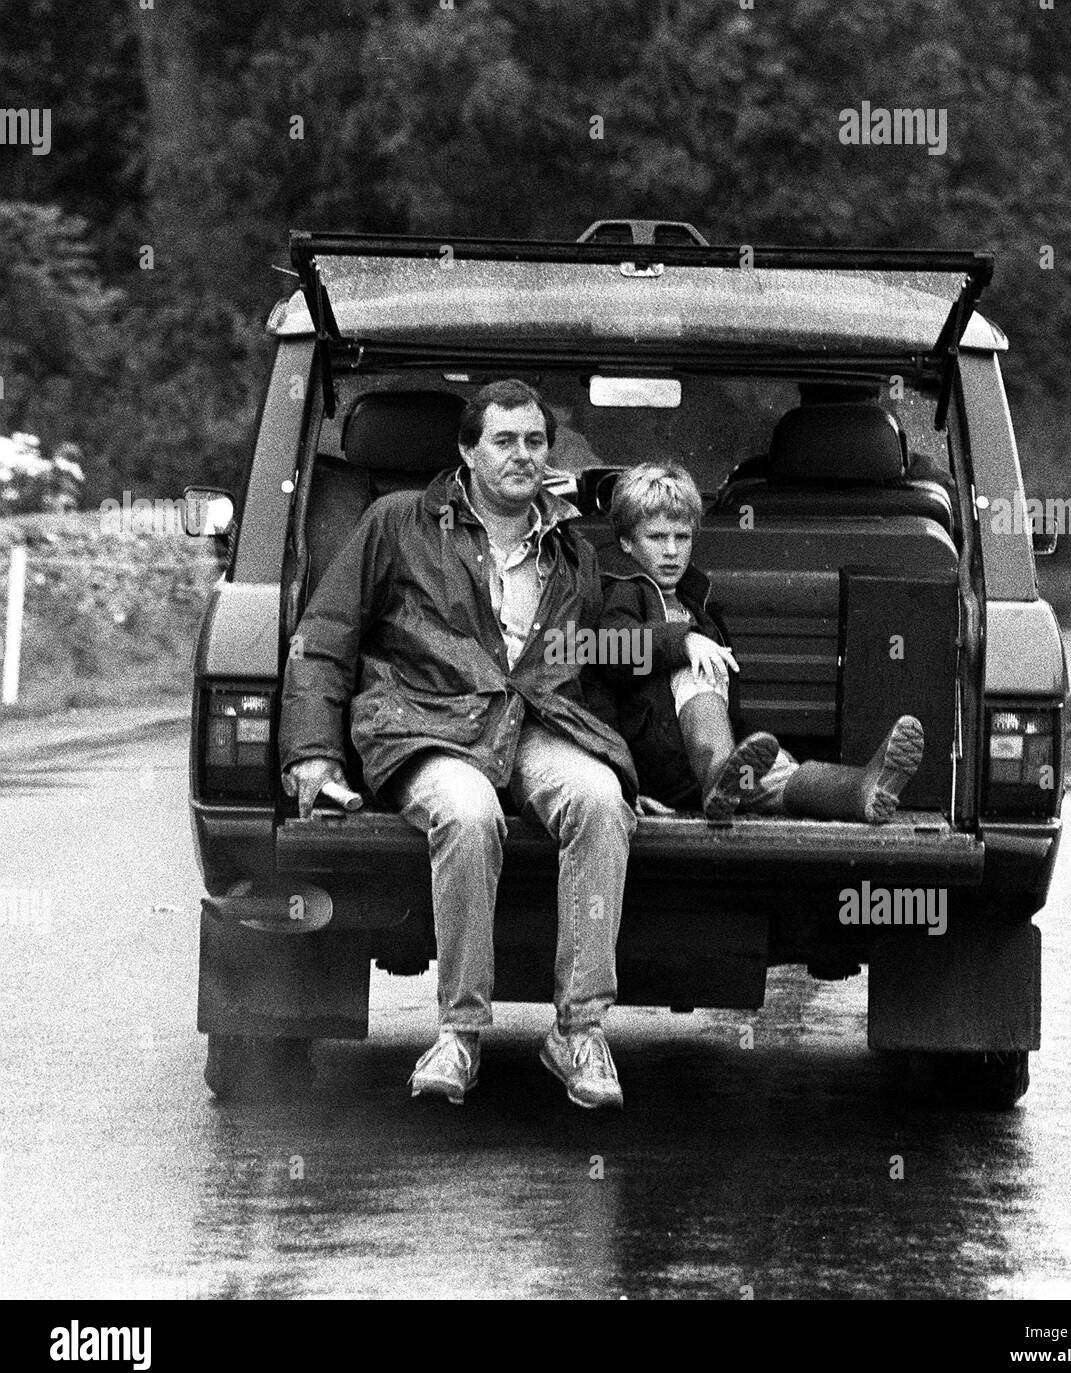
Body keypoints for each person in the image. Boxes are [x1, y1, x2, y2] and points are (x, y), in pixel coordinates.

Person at [279, 379, 638, 1110]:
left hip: (535, 722)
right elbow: (324, 639)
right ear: (467, 452)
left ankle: (579, 1031)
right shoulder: (396, 521)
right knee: (469, 813)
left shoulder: (571, 546)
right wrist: (313, 751)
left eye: (535, 441)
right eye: (504, 441)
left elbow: (589, 664)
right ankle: (460, 1033)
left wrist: (649, 740)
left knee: (602, 799)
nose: (522, 456)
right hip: (423, 720)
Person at [590, 461, 924, 822]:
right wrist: (685, 642)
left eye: (681, 537)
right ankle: (722, 771)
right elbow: (611, 650)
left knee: (780, 773)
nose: (671, 550)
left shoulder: (695, 605)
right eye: (656, 538)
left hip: (705, 771)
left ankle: (859, 790)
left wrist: (750, 745)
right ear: (626, 542)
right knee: (697, 665)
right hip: (657, 763)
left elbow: (720, 706)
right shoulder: (622, 591)